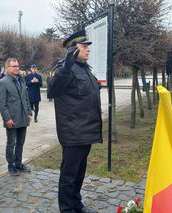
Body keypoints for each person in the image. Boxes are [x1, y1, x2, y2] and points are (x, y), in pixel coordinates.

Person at [48, 30, 102, 213]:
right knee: (69, 176)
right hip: (73, 132)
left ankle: (76, 204)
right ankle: (67, 209)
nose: (88, 50)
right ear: (73, 50)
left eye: (88, 46)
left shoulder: (86, 69)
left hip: (86, 131)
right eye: (84, 46)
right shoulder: (64, 69)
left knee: (79, 173)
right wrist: (66, 66)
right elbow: (53, 89)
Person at [0, 58, 32, 176]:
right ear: (7, 68)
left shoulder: (21, 80)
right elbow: (2, 103)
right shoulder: (3, 82)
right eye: (14, 66)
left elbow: (26, 98)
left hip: (23, 117)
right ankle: (11, 165)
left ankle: (18, 163)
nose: (17, 68)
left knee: (21, 142)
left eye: (17, 66)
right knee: (11, 143)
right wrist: (7, 118)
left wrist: (29, 113)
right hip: (12, 118)